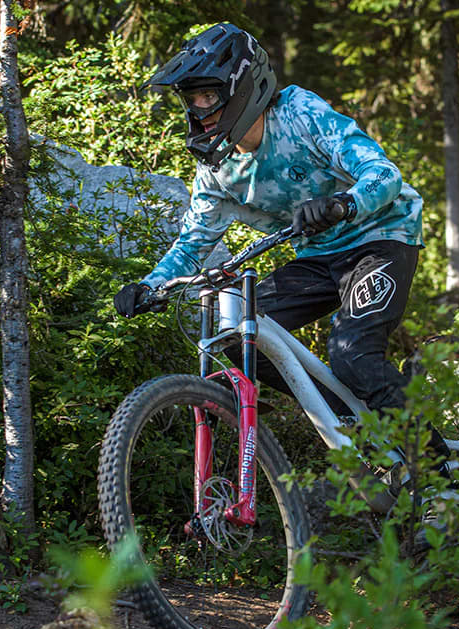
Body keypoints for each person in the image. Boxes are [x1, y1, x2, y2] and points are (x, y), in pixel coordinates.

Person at [113, 22, 424, 418]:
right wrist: (148, 285)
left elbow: (384, 174)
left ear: (242, 89)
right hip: (319, 257)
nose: (199, 111)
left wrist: (343, 204)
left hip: (381, 238)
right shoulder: (217, 169)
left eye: (209, 96)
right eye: (192, 100)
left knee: (352, 354)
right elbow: (193, 242)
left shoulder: (300, 114)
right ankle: (350, 424)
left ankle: (433, 470)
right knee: (238, 335)